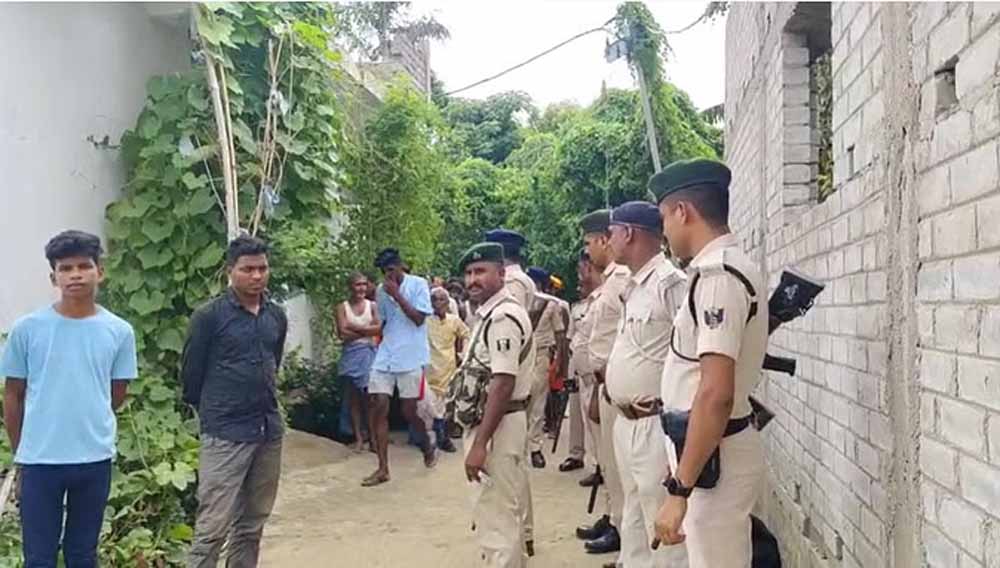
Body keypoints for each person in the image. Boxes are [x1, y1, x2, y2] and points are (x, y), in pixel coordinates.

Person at [651, 159, 768, 568]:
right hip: (705, 453)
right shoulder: (717, 271)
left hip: (714, 460)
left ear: (683, 212)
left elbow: (716, 394)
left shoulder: (719, 277)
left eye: (664, 218)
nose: (665, 231)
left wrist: (679, 489)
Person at [1, 230, 137, 568]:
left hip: (94, 458)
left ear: (99, 272)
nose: (75, 275)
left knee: (82, 554)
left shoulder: (119, 331)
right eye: (65, 268)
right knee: (39, 557)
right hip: (40, 460)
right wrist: (22, 452)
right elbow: (13, 394)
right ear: (54, 277)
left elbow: (117, 393)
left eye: (84, 266)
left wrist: (87, 418)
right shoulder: (28, 329)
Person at [183, 235, 288, 568]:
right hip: (225, 433)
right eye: (247, 269)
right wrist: (215, 412)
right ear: (230, 271)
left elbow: (273, 362)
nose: (256, 276)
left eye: (262, 269)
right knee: (212, 527)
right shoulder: (209, 317)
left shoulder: (275, 316)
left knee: (252, 523)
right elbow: (191, 376)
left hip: (267, 429)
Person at [604, 202, 688, 567]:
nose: (607, 241)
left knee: (663, 524)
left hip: (656, 423)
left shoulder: (671, 283)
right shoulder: (635, 286)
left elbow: (694, 358)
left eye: (611, 233)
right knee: (634, 515)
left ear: (629, 233)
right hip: (627, 422)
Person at [452, 242, 535, 567]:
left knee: (498, 519)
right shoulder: (489, 314)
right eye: (469, 273)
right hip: (494, 423)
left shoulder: (503, 317)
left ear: (501, 273)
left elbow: (503, 383)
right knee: (495, 513)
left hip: (498, 427)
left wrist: (480, 444)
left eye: (481, 271)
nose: (473, 279)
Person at [576, 209, 628, 561]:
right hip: (600, 386)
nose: (588, 250)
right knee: (608, 464)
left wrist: (603, 385)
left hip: (614, 387)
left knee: (618, 467)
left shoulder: (622, 280)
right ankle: (614, 519)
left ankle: (620, 529)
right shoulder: (610, 282)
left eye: (590, 242)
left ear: (604, 240)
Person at [484, 228, 539, 556]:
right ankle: (524, 536)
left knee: (510, 476)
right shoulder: (523, 280)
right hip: (515, 378)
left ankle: (523, 536)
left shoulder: (514, 285)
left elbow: (507, 346)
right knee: (516, 469)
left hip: (510, 383)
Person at [364, 248, 436, 486]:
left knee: (409, 411)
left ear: (400, 266)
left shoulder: (418, 285)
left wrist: (397, 295)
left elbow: (418, 319)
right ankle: (382, 468)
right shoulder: (381, 292)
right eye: (384, 272)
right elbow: (385, 323)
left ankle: (426, 443)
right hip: (386, 353)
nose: (388, 276)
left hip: (411, 355)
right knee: (378, 405)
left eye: (391, 270)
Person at [523, 267, 567, 470]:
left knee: (537, 403)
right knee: (525, 403)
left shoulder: (551, 304)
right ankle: (526, 447)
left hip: (540, 355)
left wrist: (559, 362)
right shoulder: (519, 301)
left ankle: (534, 447)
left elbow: (560, 334)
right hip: (522, 357)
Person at [562, 251, 602, 475]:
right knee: (579, 414)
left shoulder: (604, 301)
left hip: (594, 372)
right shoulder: (576, 308)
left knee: (594, 420)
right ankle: (577, 454)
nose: (579, 281)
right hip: (578, 368)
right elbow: (572, 340)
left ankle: (598, 466)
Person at [335, 272, 381, 453]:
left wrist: (354, 327)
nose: (361, 288)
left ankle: (373, 439)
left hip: (369, 355)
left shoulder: (372, 306)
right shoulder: (342, 307)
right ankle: (359, 438)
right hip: (351, 355)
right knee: (353, 399)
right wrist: (366, 331)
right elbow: (342, 333)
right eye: (357, 284)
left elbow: (378, 329)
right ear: (350, 287)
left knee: (371, 399)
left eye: (364, 284)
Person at [426, 287, 470, 453]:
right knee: (430, 407)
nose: (438, 303)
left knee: (446, 406)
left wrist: (463, 354)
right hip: (429, 371)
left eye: (442, 299)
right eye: (434, 300)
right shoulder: (425, 321)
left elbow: (467, 334)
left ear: (448, 302)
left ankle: (443, 438)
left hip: (449, 370)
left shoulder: (454, 320)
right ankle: (435, 439)